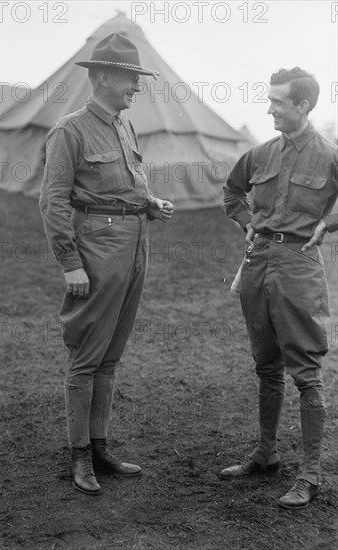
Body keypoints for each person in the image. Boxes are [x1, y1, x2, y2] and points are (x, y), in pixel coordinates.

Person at [39, 33, 174, 496]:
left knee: (111, 356)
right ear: (102, 77)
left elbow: (123, 185)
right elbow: (53, 202)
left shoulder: (123, 125)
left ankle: (99, 447)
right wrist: (69, 264)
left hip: (136, 244)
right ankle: (78, 455)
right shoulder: (69, 130)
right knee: (86, 356)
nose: (136, 86)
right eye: (129, 78)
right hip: (97, 249)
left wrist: (150, 201)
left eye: (137, 78)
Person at [221, 67, 337, 509]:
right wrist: (248, 223)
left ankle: (310, 474)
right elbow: (232, 192)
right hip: (258, 263)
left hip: (299, 267)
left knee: (306, 372)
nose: (269, 108)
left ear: (303, 106)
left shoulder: (329, 155)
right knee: (265, 365)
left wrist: (328, 222)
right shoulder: (260, 153)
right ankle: (265, 454)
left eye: (278, 102)